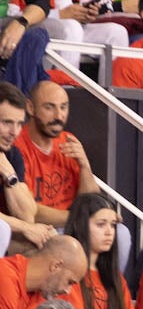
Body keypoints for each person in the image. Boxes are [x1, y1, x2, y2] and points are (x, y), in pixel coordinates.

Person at [18, 81, 95, 226]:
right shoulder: (17, 147)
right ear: (30, 107)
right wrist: (79, 220)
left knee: (120, 233)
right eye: (49, 107)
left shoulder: (68, 141)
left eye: (63, 107)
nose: (59, 116)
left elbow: (91, 201)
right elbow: (31, 212)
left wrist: (85, 166)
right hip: (37, 229)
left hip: (71, 224)